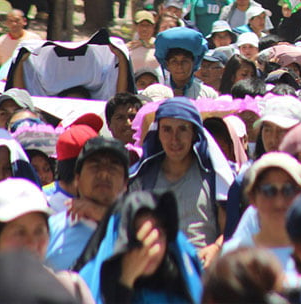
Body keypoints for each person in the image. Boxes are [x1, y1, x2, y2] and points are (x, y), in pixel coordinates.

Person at [128, 97, 228, 265]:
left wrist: (216, 248)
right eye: (167, 129)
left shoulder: (214, 176)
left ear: (194, 133)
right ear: (158, 133)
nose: (174, 139)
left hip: (201, 274)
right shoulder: (142, 178)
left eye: (182, 129)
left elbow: (231, 230)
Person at [75, 190, 205, 303]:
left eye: (158, 233)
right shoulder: (85, 288)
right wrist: (125, 283)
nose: (149, 248)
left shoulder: (180, 292)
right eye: (138, 233)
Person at [47, 137, 130, 272]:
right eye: (95, 166)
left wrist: (103, 214)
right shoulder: (51, 230)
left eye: (113, 167)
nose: (103, 174)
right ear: (77, 179)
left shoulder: (134, 231)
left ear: (125, 183)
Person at [0, 8, 44, 80]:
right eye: (11, 21)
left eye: (17, 20)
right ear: (6, 23)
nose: (14, 24)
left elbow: (41, 63)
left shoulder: (35, 40)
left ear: (24, 21)